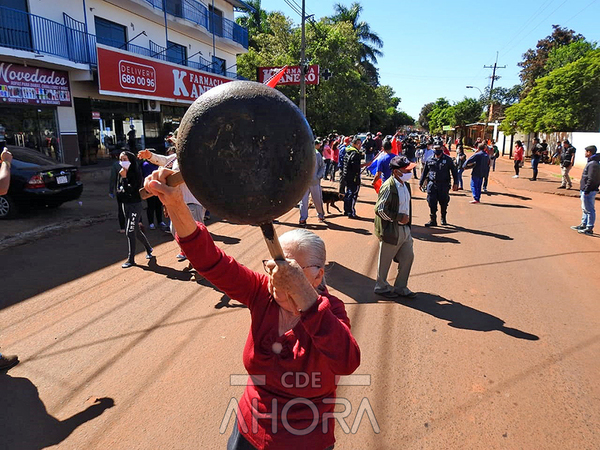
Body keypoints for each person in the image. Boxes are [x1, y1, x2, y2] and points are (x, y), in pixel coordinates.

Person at [142, 169, 361, 449]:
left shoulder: (331, 312)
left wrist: (303, 296)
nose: (279, 275)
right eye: (275, 264)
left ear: (318, 276)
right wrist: (175, 205)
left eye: (291, 269)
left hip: (305, 440)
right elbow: (211, 261)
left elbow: (347, 361)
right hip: (249, 430)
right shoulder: (261, 292)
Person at [138, 146, 205, 262]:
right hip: (178, 201)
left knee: (196, 234)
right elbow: (163, 160)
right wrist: (149, 156)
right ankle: (189, 254)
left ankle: (200, 261)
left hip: (193, 202)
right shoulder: (174, 158)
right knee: (175, 230)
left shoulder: (196, 158)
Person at [373, 155, 417, 299]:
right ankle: (381, 287)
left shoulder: (406, 185)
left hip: (405, 230)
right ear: (397, 171)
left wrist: (406, 223)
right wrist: (398, 218)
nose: (410, 172)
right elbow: (380, 210)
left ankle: (401, 287)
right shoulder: (388, 186)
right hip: (391, 230)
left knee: (408, 258)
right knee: (384, 262)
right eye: (407, 170)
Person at [116, 151, 153, 268]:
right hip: (125, 204)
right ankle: (148, 248)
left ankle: (131, 259)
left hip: (134, 205)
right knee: (135, 230)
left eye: (125, 159)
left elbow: (132, 190)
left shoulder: (135, 172)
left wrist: (125, 178)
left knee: (130, 231)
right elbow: (119, 189)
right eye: (121, 159)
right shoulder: (121, 172)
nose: (122, 161)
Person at [420, 145, 459, 226]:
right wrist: (421, 183)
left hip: (443, 185)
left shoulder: (448, 159)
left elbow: (454, 172)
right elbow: (424, 172)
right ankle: (433, 220)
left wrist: (456, 183)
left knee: (443, 202)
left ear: (442, 149)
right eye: (435, 148)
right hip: (432, 184)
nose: (437, 150)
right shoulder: (429, 159)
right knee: (431, 202)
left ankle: (443, 218)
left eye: (439, 148)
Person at [571, 145, 600, 236]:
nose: (585, 153)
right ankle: (584, 224)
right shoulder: (592, 162)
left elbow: (591, 179)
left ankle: (589, 227)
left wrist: (587, 189)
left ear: (589, 152)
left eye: (586, 151)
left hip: (589, 190)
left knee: (589, 209)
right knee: (585, 208)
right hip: (586, 189)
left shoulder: (593, 164)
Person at [299, 139, 326, 225]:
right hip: (304, 183)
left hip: (314, 182)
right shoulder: (301, 154)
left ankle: (320, 215)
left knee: (317, 200)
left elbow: (322, 167)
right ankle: (303, 218)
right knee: (303, 202)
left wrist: (318, 176)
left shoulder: (317, 154)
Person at [141, 158, 167, 230]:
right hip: (150, 187)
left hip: (158, 187)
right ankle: (151, 223)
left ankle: (160, 221)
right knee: (151, 206)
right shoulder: (146, 165)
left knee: (158, 205)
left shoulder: (158, 164)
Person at [342, 136, 363, 218]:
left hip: (347, 175)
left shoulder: (348, 151)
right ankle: (351, 212)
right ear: (354, 144)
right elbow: (355, 167)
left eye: (360, 143)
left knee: (348, 193)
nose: (360, 145)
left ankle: (346, 210)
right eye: (359, 144)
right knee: (353, 194)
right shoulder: (355, 154)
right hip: (353, 177)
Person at [109, 152, 126, 233]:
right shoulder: (133, 163)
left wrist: (111, 190)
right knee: (134, 207)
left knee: (121, 209)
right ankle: (138, 225)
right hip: (132, 190)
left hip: (120, 191)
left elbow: (113, 178)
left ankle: (123, 227)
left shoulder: (116, 165)